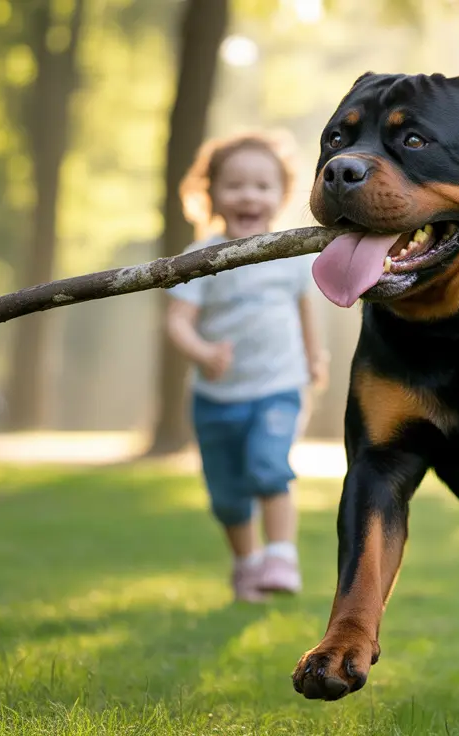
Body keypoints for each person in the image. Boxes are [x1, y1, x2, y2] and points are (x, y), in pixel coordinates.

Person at [164, 131, 329, 604]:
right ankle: (247, 566)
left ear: (280, 194)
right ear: (211, 192)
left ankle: (281, 555)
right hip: (215, 399)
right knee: (228, 497)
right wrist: (202, 352)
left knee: (267, 466)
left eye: (262, 186)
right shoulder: (201, 259)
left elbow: (304, 310)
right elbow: (178, 321)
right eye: (235, 185)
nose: (249, 196)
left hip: (278, 387)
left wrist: (314, 357)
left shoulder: (289, 254)